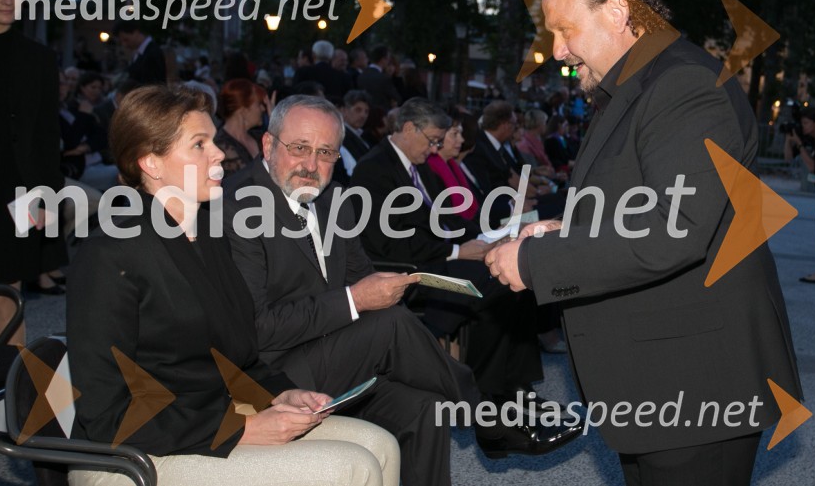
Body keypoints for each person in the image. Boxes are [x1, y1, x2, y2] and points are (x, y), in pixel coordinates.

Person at [485, 0, 801, 486]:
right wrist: (571, 230)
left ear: (617, 10)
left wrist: (538, 262)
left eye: (564, 30)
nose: (556, 50)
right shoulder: (645, 83)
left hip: (697, 383)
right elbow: (652, 203)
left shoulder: (683, 84)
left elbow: (673, 231)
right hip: (665, 383)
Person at [224, 95, 581, 482]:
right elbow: (257, 329)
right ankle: (487, 417)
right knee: (390, 324)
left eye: (326, 152)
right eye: (299, 148)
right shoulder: (238, 207)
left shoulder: (335, 201)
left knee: (426, 408)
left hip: (337, 354)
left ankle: (483, 413)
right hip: (270, 374)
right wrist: (355, 300)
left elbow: (361, 278)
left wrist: (369, 300)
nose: (311, 165)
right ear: (268, 145)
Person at [67, 85, 400, 486]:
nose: (220, 153)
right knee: (353, 467)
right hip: (130, 454)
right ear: (151, 162)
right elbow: (106, 413)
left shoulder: (207, 233)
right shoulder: (109, 252)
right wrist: (242, 430)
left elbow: (240, 353)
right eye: (199, 144)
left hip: (213, 418)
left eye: (213, 140)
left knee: (380, 444)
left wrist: (282, 393)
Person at [0, 0, 64, 343]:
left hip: (19, 194)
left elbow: (44, 136)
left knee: (9, 295)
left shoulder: (38, 58)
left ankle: (11, 393)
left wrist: (46, 199)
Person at [784, 106, 815, 283]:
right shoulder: (810, 137)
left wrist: (800, 144)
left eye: (807, 123)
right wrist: (789, 139)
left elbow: (812, 167)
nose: (804, 127)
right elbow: (788, 158)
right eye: (802, 123)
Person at [215, 79, 269, 177]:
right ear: (244, 110)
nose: (263, 109)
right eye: (258, 104)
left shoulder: (260, 137)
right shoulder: (220, 148)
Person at [113, 20, 166, 85]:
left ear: (136, 32)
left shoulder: (152, 53)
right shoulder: (139, 53)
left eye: (126, 40)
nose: (124, 45)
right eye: (121, 42)